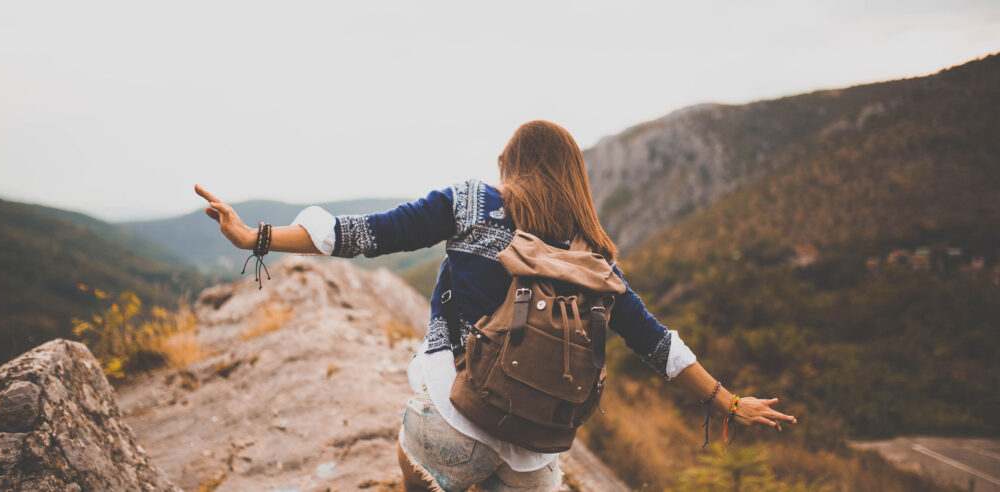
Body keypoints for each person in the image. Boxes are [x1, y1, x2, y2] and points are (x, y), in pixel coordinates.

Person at [195, 120, 797, 491]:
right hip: (539, 448)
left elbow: (367, 233)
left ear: (513, 167)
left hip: (451, 423)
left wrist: (258, 238)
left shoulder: (470, 202)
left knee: (418, 460)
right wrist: (729, 401)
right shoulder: (595, 257)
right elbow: (655, 342)